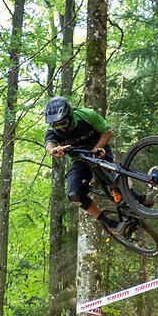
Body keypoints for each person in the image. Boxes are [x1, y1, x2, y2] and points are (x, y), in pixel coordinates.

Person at [43, 95, 126, 235]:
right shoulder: (53, 132)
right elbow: (49, 144)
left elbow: (107, 131)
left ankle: (138, 199)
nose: (61, 128)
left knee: (110, 178)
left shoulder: (87, 115)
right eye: (56, 125)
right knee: (74, 193)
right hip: (79, 160)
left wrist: (96, 149)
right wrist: (54, 150)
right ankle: (110, 224)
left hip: (99, 151)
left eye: (63, 123)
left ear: (70, 116)